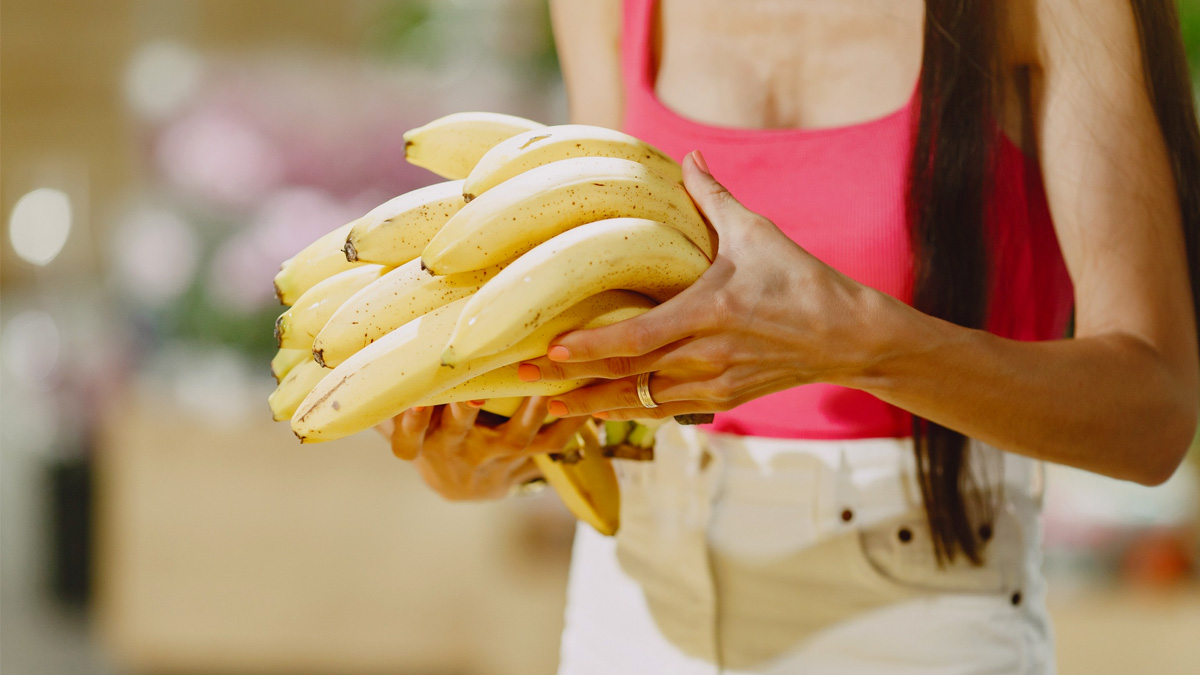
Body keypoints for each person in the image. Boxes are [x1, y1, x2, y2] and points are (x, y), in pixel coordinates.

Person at [382, 0, 1200, 672]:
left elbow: (1153, 412)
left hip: (921, 620)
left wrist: (855, 340)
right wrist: (493, 458)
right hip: (627, 615)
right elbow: (607, 328)